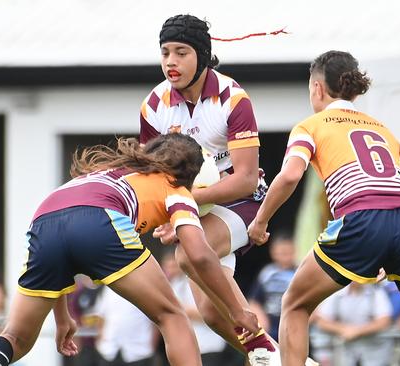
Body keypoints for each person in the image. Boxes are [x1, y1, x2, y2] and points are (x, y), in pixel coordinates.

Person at [248, 50, 400, 366]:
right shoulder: (384, 131)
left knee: (295, 305)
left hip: (362, 216)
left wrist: (260, 222)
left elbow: (289, 175)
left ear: (317, 88)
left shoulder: (311, 126)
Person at [0, 134, 260, 366]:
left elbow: (66, 232)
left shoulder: (111, 171)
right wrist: (237, 311)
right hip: (99, 219)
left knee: (16, 338)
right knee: (172, 316)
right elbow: (199, 254)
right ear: (192, 175)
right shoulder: (176, 189)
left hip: (45, 218)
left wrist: (62, 314)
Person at [140, 14, 298, 366]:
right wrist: (168, 215)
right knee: (211, 313)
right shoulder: (153, 105)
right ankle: (280, 359)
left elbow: (243, 178)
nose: (170, 62)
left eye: (181, 52)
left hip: (243, 200)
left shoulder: (232, 97)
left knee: (187, 256)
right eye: (165, 52)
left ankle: (255, 333)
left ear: (201, 53)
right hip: (195, 210)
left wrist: (187, 203)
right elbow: (154, 179)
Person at [312, 282, 393, 366]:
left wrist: (356, 331)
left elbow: (384, 321)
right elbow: (322, 321)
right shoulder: (336, 292)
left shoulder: (377, 291)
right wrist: (343, 329)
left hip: (373, 351)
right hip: (344, 351)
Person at [248, 234, 297, 341]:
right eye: (282, 252)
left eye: (289, 252)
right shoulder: (267, 273)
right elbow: (254, 301)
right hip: (270, 324)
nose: (286, 256)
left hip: (294, 326)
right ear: (273, 252)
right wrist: (262, 324)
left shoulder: (300, 272)